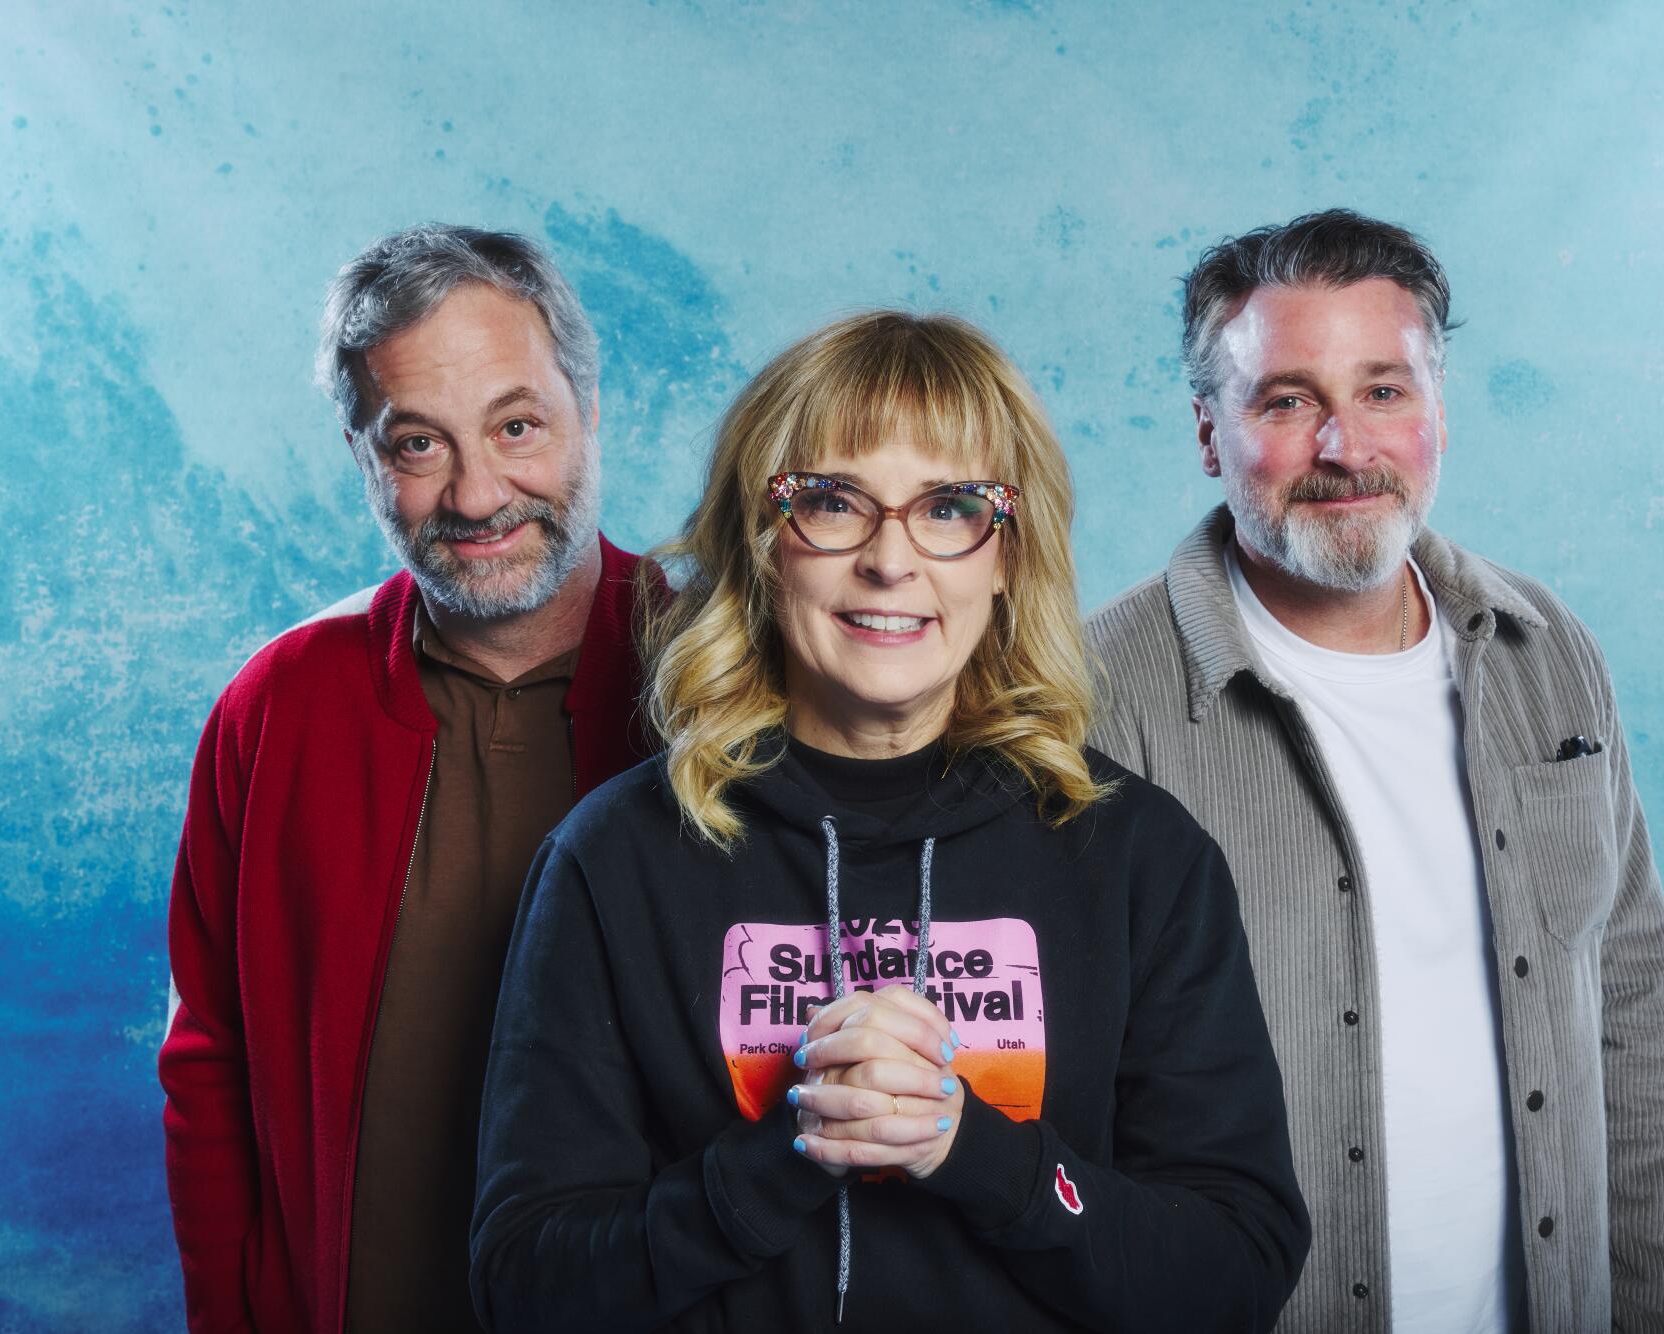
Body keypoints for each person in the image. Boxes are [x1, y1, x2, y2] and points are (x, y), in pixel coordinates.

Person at [470, 311, 1310, 1332]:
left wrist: (970, 1147)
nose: (889, 560)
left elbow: (1233, 1273)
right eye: (829, 502)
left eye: (950, 508)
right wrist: (791, 1144)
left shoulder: (1140, 856)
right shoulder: (614, 860)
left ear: (1006, 554)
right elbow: (526, 1287)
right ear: (761, 541)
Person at [1086, 209, 1664, 1332]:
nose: (1343, 446)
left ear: (1436, 408)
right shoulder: (1088, 701)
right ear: (1204, 431)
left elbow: (1629, 1007)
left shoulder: (1546, 646)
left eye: (1383, 390)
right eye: (1286, 400)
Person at [159, 224, 651, 1333]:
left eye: (516, 426)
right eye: (418, 444)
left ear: (590, 410)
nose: (478, 495)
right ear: (361, 455)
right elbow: (210, 1060)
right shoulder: (278, 706)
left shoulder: (732, 684)